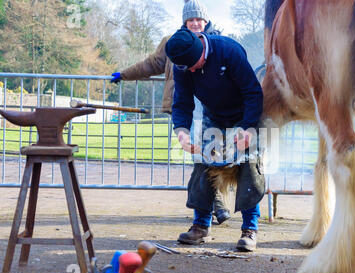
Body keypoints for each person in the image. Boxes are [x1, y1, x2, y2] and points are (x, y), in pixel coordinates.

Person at [110, 0, 231, 225]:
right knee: (201, 157)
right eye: (190, 19)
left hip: (212, 110)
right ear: (184, 21)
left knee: (211, 156)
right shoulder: (172, 43)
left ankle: (214, 207)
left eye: (199, 19)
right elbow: (150, 64)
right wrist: (124, 74)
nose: (195, 23)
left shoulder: (219, 41)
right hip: (186, 109)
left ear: (206, 20)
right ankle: (214, 206)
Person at [165, 28, 265, 251]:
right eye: (186, 67)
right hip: (215, 115)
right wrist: (182, 132)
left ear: (201, 48)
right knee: (203, 165)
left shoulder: (228, 51)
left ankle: (250, 229)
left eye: (194, 64)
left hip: (244, 114)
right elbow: (181, 102)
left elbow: (252, 92)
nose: (191, 69)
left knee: (249, 168)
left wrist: (248, 129)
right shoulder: (182, 66)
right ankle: (201, 226)